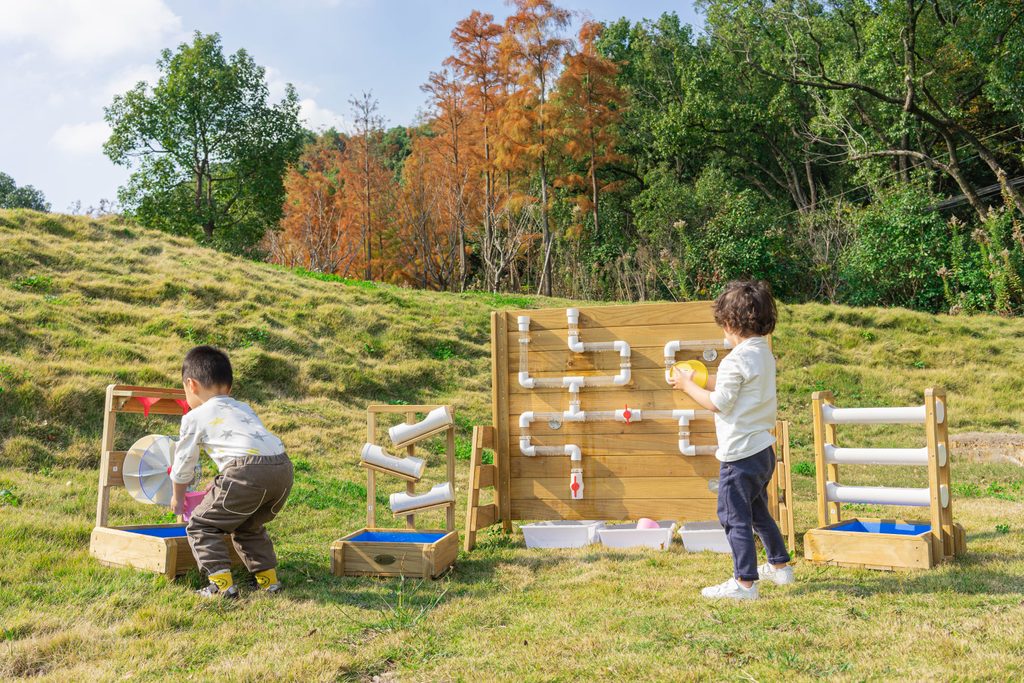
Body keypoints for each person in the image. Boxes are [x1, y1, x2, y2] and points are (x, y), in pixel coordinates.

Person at [671, 280, 793, 600]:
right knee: (758, 512)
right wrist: (699, 378)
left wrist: (687, 386)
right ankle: (780, 566)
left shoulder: (734, 360)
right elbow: (733, 386)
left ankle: (744, 583)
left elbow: (719, 402)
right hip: (762, 451)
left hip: (738, 455)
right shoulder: (762, 354)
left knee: (733, 516)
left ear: (729, 323)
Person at [169, 345, 293, 598]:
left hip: (247, 473)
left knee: (201, 525)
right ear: (229, 387)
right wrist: (223, 482)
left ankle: (221, 586)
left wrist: (178, 497)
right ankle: (269, 582)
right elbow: (247, 451)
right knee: (248, 524)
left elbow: (183, 463)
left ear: (191, 385)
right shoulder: (243, 407)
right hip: (282, 469)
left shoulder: (195, 416)